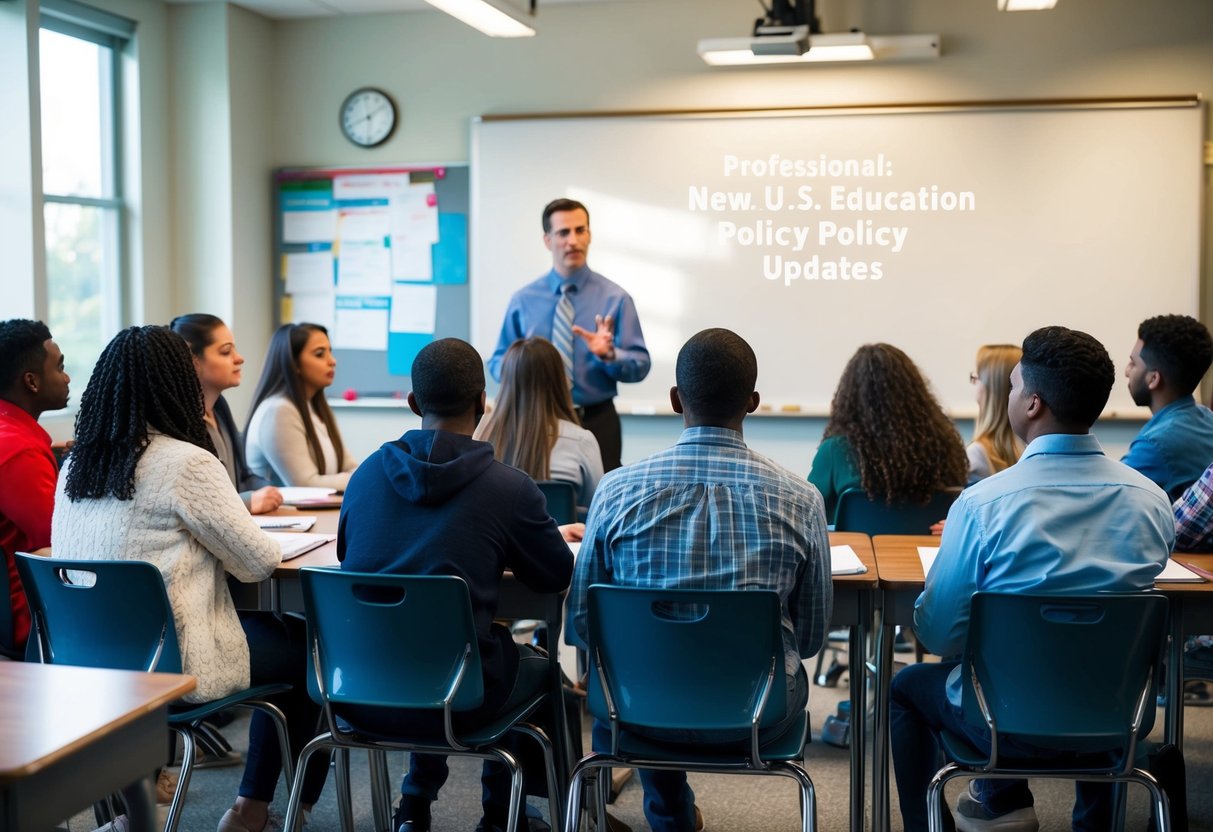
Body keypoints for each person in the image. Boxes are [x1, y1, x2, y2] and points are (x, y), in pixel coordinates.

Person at [891, 325, 1174, 832]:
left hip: (1002, 725)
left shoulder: (983, 504)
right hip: (1116, 723)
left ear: (1033, 404)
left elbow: (937, 633)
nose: (1011, 397)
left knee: (907, 686)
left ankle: (941, 820)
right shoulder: (1152, 501)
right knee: (1098, 669)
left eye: (1015, 387)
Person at [50, 326, 330, 832]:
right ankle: (252, 811)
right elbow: (256, 562)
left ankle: (121, 820)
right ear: (179, 385)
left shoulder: (75, 466)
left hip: (89, 658)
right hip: (172, 661)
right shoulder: (186, 462)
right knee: (308, 644)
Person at [567, 328, 833, 832]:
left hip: (636, 708)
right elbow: (815, 636)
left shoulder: (616, 491)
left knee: (639, 670)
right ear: (753, 402)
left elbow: (583, 624)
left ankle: (670, 814)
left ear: (673, 399)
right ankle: (672, 813)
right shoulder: (801, 499)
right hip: (758, 710)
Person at [337, 337, 575, 832]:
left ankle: (414, 808)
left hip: (359, 690)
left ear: (412, 403)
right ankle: (502, 815)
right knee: (538, 669)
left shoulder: (364, 477)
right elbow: (554, 576)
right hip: (460, 696)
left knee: (440, 649)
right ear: (482, 404)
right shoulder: (508, 487)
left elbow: (349, 560)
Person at [488, 199, 650, 472]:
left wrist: (611, 356)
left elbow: (640, 365)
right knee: (535, 499)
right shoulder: (523, 301)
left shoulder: (616, 298)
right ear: (547, 240)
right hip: (534, 420)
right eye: (564, 233)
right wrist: (524, 367)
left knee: (602, 502)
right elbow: (496, 363)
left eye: (580, 230)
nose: (573, 240)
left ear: (589, 235)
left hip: (596, 418)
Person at [808, 343, 968, 521]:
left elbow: (807, 511)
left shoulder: (835, 451)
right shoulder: (944, 446)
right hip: (927, 548)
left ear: (850, 396)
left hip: (858, 548)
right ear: (915, 393)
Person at [0, 319, 69, 656]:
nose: (67, 378)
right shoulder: (21, 452)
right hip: (31, 618)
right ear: (31, 381)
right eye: (60, 367)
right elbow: (62, 541)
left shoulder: (11, 434)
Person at [171, 314, 283, 514]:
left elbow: (242, 477)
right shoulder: (177, 422)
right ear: (193, 360)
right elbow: (194, 503)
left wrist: (272, 490)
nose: (239, 358)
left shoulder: (219, 407)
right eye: (226, 352)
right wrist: (247, 502)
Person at [476, 337, 604, 507]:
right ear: (560, 381)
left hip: (493, 534)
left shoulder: (482, 433)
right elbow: (598, 510)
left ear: (507, 381)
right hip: (560, 533)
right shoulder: (581, 442)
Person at [245, 322, 358, 491]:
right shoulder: (278, 411)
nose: (332, 361)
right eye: (320, 354)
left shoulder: (317, 408)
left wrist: (361, 477)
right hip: (283, 515)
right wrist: (360, 480)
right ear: (294, 363)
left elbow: (349, 465)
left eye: (330, 352)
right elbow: (304, 485)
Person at [1122, 314, 1213, 500]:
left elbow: (1110, 497)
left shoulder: (1154, 445)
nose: (1126, 371)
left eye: (1133, 363)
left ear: (1153, 379)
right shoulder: (1207, 418)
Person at [966, 344, 1024, 484]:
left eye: (976, 377)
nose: (974, 384)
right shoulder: (1030, 446)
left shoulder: (976, 455)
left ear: (990, 388)